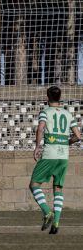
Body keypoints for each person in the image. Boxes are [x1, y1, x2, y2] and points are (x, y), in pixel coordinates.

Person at [29, 86, 82, 235]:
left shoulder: (45, 112)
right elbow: (78, 136)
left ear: (47, 97)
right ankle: (56, 222)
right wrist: (66, 143)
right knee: (58, 188)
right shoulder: (68, 114)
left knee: (34, 184)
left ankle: (47, 212)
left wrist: (37, 147)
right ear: (60, 97)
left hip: (50, 153)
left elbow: (40, 129)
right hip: (63, 156)